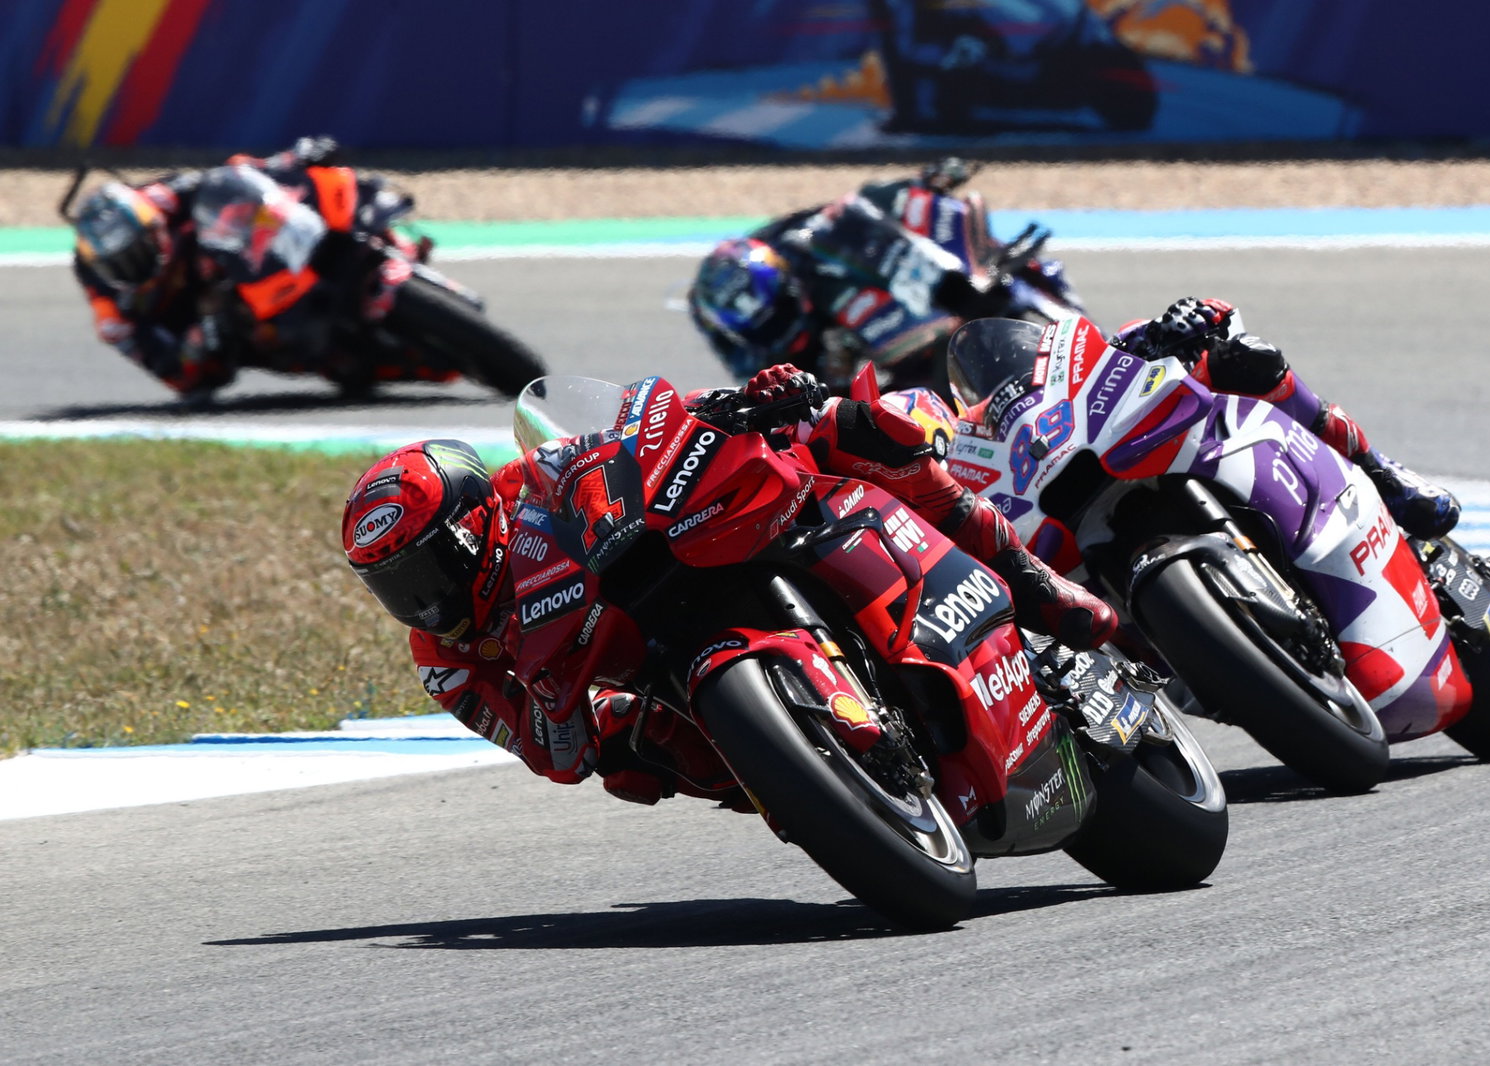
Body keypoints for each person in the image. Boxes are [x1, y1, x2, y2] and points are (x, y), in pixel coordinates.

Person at [340, 364, 1117, 807]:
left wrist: (735, 404)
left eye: (428, 569)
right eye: (399, 587)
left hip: (680, 548)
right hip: (646, 664)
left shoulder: (524, 482)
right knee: (632, 762)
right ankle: (813, 783)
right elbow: (552, 753)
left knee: (848, 427)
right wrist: (580, 707)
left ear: (476, 522)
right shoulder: (445, 657)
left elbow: (627, 438)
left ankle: (1032, 578)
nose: (425, 601)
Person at [69, 135, 443, 401]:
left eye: (140, 248)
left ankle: (384, 240)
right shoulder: (110, 307)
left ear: (152, 224)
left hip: (247, 259)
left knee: (321, 193)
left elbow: (233, 178)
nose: (137, 263)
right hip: (226, 321)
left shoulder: (159, 199)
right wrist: (197, 345)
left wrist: (290, 161)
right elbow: (175, 375)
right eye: (123, 262)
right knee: (305, 354)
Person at [688, 157, 1084, 397]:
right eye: (767, 325)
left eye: (780, 311)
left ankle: (995, 287)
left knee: (887, 218)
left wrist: (954, 290)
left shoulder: (802, 244)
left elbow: (873, 234)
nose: (780, 324)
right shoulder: (717, 321)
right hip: (828, 341)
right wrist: (830, 381)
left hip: (877, 242)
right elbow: (763, 391)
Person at [1114, 296, 1460, 538]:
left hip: (1178, 431)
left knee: (1245, 357)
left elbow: (1099, 348)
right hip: (1098, 468)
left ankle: (1381, 475)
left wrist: (1158, 332)